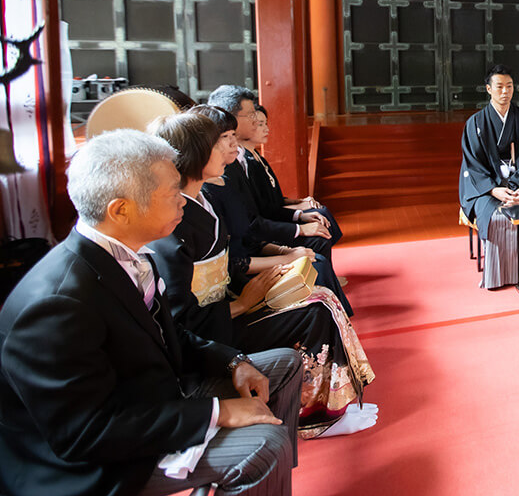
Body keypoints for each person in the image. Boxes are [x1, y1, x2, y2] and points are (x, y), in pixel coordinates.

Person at [0, 130, 305, 496]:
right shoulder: (58, 303)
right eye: (172, 194)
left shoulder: (124, 254)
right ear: (121, 210)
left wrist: (233, 361)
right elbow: (84, 434)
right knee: (264, 446)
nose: (184, 202)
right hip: (98, 458)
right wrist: (219, 411)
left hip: (153, 393)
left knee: (284, 364)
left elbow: (170, 335)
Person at [147, 112, 377, 439]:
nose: (231, 146)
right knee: (314, 314)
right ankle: (313, 416)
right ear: (198, 154)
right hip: (213, 325)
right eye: (222, 141)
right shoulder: (176, 221)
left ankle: (338, 400)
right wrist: (243, 303)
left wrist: (275, 272)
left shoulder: (203, 199)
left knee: (321, 298)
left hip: (229, 300)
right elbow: (180, 319)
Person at [197, 95, 354, 316]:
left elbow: (258, 218)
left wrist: (291, 233)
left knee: (318, 238)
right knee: (316, 262)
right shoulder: (212, 187)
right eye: (225, 137)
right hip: (240, 277)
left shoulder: (229, 176)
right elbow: (241, 246)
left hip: (255, 251)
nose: (233, 143)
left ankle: (339, 312)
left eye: (233, 136)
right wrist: (289, 249)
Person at [461, 64, 519, 290]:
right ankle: (499, 275)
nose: (505, 91)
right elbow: (473, 165)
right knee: (496, 218)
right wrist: (494, 190)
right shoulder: (475, 124)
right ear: (488, 89)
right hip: (489, 189)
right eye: (500, 87)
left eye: (510, 86)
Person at [245, 104, 343, 249]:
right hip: (269, 223)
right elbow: (267, 209)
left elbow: (275, 198)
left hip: (275, 213)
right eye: (259, 124)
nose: (266, 128)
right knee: (319, 229)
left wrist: (299, 201)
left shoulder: (258, 157)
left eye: (265, 123)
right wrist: (299, 211)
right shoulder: (247, 163)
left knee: (321, 212)